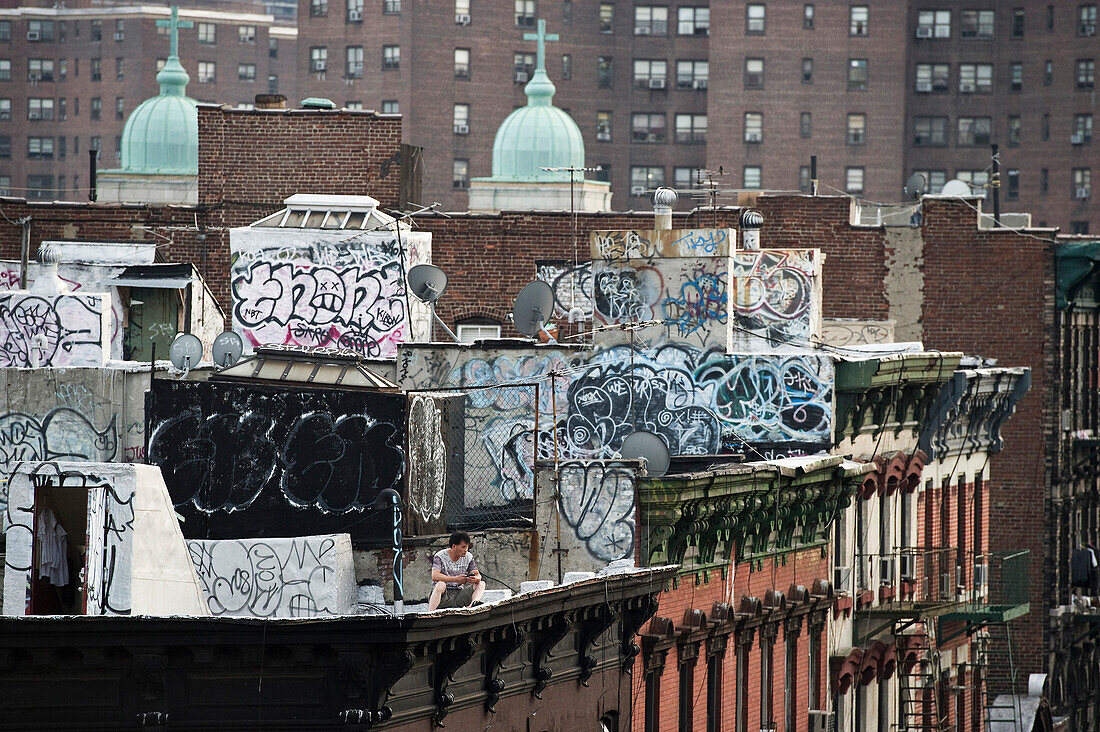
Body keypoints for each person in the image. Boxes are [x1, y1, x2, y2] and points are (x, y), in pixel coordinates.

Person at [428, 531, 486, 610]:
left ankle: (472, 606)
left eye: (467, 547)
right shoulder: (440, 556)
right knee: (440, 584)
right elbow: (434, 576)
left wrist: (475, 579)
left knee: (481, 584)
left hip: (459, 595)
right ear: (454, 546)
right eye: (463, 547)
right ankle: (430, 613)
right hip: (444, 596)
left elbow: (477, 574)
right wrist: (455, 579)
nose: (466, 550)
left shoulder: (468, 556)